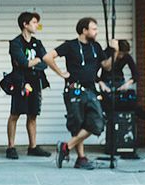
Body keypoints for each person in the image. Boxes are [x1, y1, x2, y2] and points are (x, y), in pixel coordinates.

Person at [42, 17, 113, 170]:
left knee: (97, 122)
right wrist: (61, 73)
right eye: (93, 28)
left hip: (91, 90)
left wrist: (115, 50)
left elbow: (107, 67)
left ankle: (66, 147)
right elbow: (47, 57)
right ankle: (81, 159)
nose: (96, 32)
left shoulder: (96, 46)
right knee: (78, 125)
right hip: (74, 90)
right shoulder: (70, 45)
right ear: (84, 30)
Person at [5, 11, 51, 159]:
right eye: (34, 22)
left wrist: (34, 62)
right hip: (20, 83)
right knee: (15, 114)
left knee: (33, 115)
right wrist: (34, 61)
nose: (36, 25)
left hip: (35, 82)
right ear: (25, 24)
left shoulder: (37, 43)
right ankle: (11, 147)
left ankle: (33, 146)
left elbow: (45, 63)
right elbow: (23, 62)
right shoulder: (16, 43)